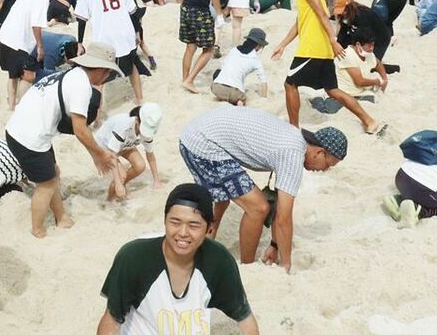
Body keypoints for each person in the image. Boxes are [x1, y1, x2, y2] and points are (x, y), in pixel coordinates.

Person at [179, 106, 347, 271]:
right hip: (203, 144)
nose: (324, 170)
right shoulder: (293, 154)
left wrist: (275, 245)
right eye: (328, 164)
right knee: (258, 207)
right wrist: (286, 264)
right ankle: (248, 268)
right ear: (319, 152)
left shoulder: (295, 138)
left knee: (223, 197)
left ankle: (205, 243)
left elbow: (280, 205)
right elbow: (283, 218)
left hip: (195, 133)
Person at [97, 183, 259, 335]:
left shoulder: (218, 260)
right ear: (165, 221)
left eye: (194, 225)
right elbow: (112, 320)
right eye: (175, 222)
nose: (183, 232)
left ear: (209, 228)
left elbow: (244, 317)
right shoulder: (134, 257)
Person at [5, 42, 120, 237]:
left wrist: (96, 155)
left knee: (53, 173)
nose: (108, 77)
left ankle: (61, 218)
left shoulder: (72, 73)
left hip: (23, 127)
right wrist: (99, 155)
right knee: (46, 184)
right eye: (108, 72)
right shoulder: (82, 87)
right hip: (28, 137)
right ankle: (37, 230)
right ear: (101, 70)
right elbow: (80, 130)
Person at [271, 0, 383, 134]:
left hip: (312, 50)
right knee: (333, 91)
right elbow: (300, 22)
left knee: (290, 84)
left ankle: (293, 129)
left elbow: (323, 15)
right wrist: (283, 44)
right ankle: (369, 121)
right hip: (321, 49)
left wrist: (333, 40)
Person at [77, 0, 145, 105]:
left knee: (99, 76)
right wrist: (137, 32)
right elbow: (134, 13)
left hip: (104, 37)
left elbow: (81, 20)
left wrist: (80, 43)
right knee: (132, 66)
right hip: (125, 33)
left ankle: (97, 117)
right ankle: (139, 99)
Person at [0, 0, 55, 110]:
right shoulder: (42, 0)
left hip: (4, 37)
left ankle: (11, 106)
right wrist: (40, 46)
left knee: (12, 75)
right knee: (28, 76)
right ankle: (22, 106)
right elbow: (36, 25)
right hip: (18, 43)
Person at [95, 104, 163, 200]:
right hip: (105, 146)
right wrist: (118, 182)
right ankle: (110, 201)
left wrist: (156, 180)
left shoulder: (150, 130)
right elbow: (113, 155)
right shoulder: (123, 126)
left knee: (140, 166)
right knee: (121, 176)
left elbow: (150, 155)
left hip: (125, 145)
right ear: (137, 121)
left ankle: (122, 186)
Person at [310, 28, 385, 114]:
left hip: (359, 93)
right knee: (329, 110)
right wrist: (376, 81)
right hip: (341, 93)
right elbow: (359, 81)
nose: (371, 48)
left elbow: (377, 63)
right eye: (369, 45)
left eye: (373, 45)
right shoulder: (347, 55)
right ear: (358, 44)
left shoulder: (369, 55)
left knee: (369, 104)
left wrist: (384, 78)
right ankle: (317, 99)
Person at [211, 28, 268, 106]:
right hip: (234, 93)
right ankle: (239, 102)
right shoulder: (255, 60)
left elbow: (223, 66)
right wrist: (264, 98)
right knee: (242, 98)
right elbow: (263, 81)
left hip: (216, 87)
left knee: (218, 72)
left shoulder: (234, 50)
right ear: (258, 45)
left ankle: (222, 97)